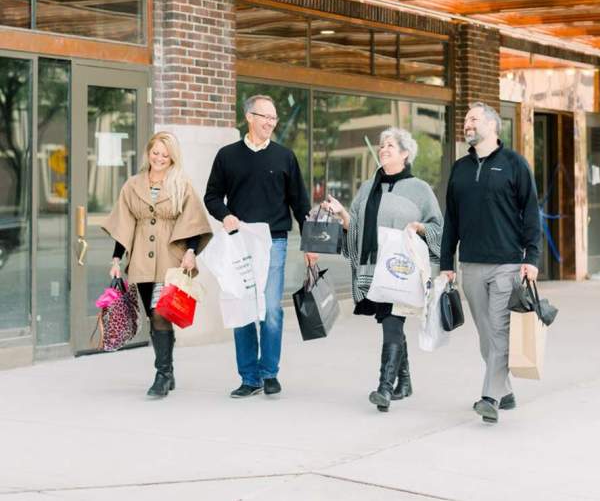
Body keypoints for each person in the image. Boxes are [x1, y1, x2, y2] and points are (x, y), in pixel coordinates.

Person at [204, 94, 318, 398]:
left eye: (274, 118)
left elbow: (300, 203)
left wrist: (309, 242)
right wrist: (225, 215)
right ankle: (249, 377)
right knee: (242, 308)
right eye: (264, 116)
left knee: (270, 309)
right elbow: (212, 197)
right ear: (249, 117)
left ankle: (269, 373)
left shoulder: (284, 157)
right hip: (240, 244)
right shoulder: (227, 156)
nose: (270, 123)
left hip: (275, 242)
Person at [323, 127, 443, 412]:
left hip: (402, 269)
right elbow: (356, 226)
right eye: (381, 146)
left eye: (390, 146)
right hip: (373, 269)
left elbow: (439, 228)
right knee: (389, 323)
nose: (383, 149)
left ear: (405, 153)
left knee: (392, 323)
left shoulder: (420, 189)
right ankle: (405, 383)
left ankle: (385, 388)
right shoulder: (368, 187)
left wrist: (419, 227)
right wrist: (341, 213)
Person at [440, 102, 541, 424]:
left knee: (499, 331)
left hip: (507, 264)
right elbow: (451, 219)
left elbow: (531, 213)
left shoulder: (514, 164)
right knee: (486, 336)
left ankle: (489, 398)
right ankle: (506, 390)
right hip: (470, 263)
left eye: (473, 119)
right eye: (466, 120)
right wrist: (446, 262)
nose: (467, 124)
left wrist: (532, 258)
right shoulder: (460, 168)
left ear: (492, 126)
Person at [102, 131, 212, 398]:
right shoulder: (133, 185)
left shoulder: (181, 184)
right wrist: (117, 259)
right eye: (156, 152)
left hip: (169, 257)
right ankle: (169, 370)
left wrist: (190, 251)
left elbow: (194, 222)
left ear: (172, 157)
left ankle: (161, 375)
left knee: (162, 312)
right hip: (141, 259)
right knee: (154, 316)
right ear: (148, 152)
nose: (160, 158)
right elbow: (124, 225)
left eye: (165, 154)